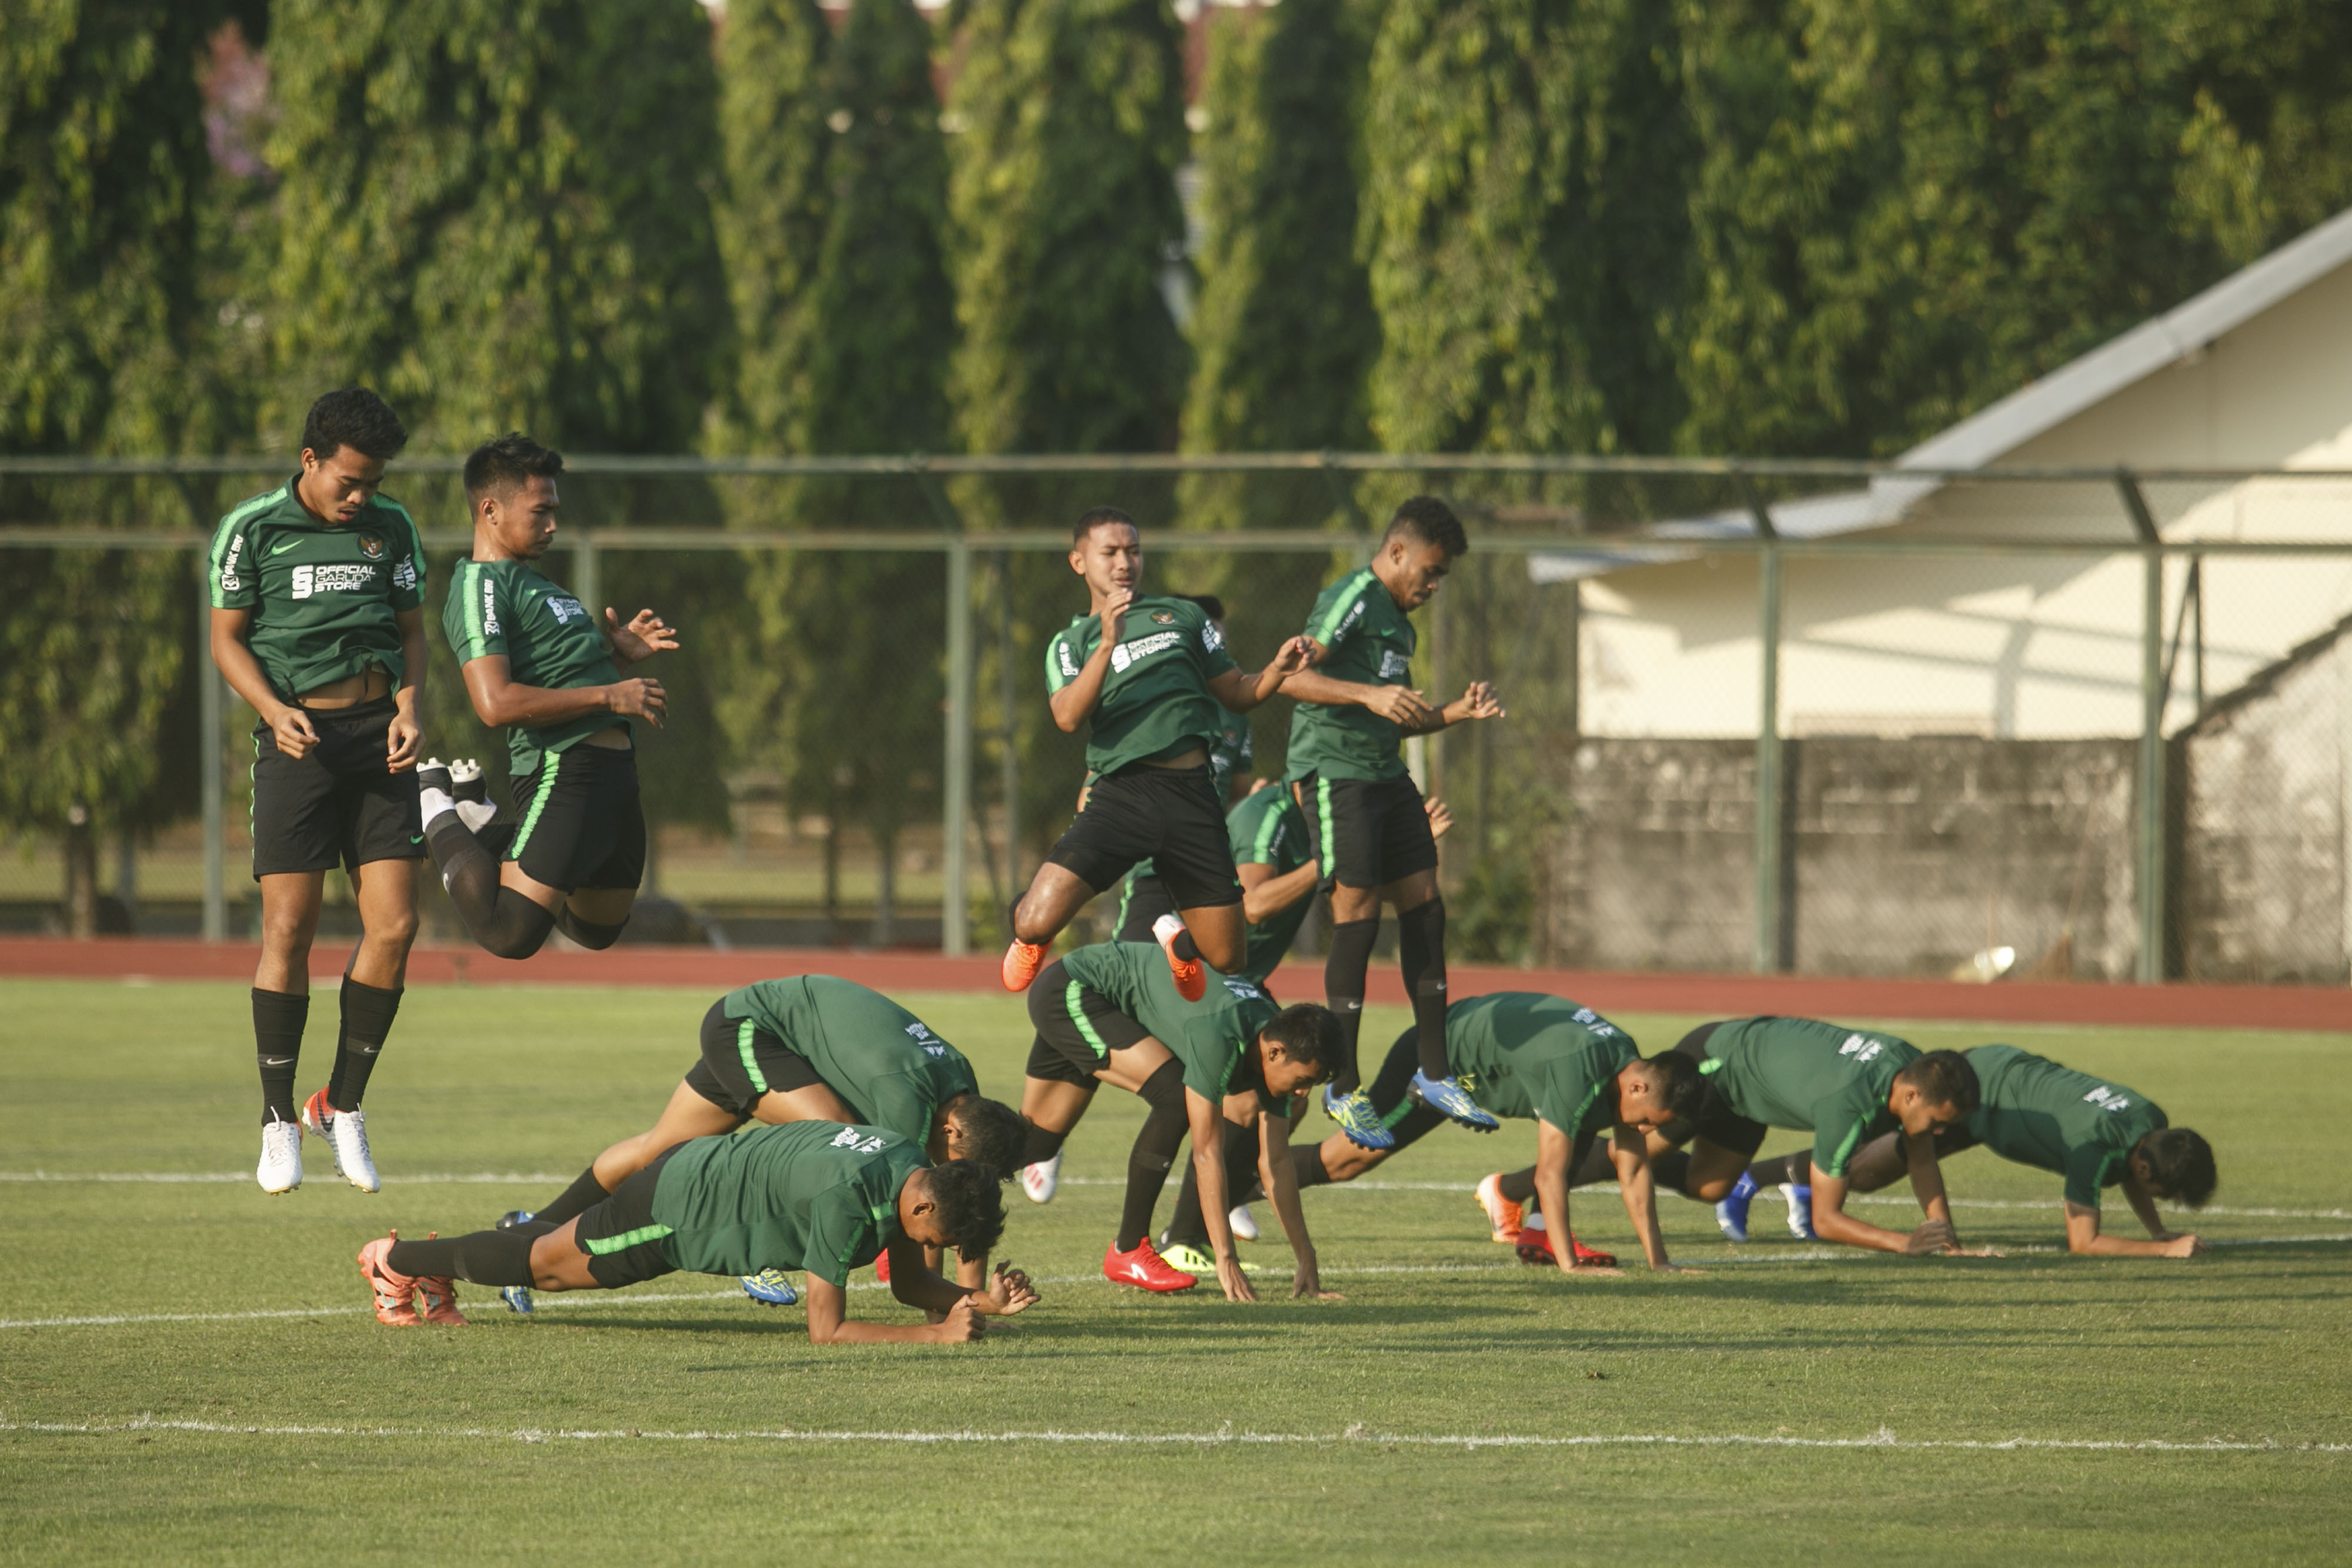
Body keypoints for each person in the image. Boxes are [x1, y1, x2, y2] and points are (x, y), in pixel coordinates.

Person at [496, 974, 1028, 1313]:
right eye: (953, 1161)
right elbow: (930, 1222)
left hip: (772, 1031)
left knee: (656, 1149)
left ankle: (527, 1229)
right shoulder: (907, 1106)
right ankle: (750, 1245)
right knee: (832, 1139)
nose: (946, 1170)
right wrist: (954, 1309)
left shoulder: (960, 1084)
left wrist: (971, 1297)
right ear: (954, 1131)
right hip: (753, 1030)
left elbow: (961, 1199)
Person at [208, 387, 425, 1196]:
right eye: (350, 482)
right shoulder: (252, 528)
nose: (362, 497)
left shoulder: (391, 527)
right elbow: (225, 637)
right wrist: (272, 709)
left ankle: (345, 1106)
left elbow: (411, 629)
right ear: (311, 461)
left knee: (397, 924)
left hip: (381, 739)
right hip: (299, 743)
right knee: (290, 927)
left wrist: (410, 704)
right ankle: (275, 1120)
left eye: (372, 483)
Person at [1162, 993, 1708, 1279]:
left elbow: (1633, 1166)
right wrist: (1568, 1265)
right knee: (1354, 1156)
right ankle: (1223, 1199)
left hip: (1463, 1064)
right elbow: (1551, 1172)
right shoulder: (1579, 1063)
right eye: (1643, 1118)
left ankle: (1235, 1193)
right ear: (1637, 1083)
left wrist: (1659, 1260)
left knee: (1354, 1158)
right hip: (1436, 1059)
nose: (1637, 1130)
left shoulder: (1627, 1059)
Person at [1001, 509, 1313, 1002]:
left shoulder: (1183, 616)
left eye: (1134, 550)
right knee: (1034, 919)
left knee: (1229, 955)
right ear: (1079, 562)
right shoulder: (1071, 641)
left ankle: (1178, 942)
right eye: (1110, 552)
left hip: (1192, 796)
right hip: (1121, 795)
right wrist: (1106, 644)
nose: (1125, 562)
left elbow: (1236, 691)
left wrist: (1276, 670)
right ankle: (1029, 935)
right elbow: (1066, 716)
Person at [356, 1122, 1034, 1344]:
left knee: (542, 1259)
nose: (928, 1251)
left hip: (700, 1173)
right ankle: (396, 1260)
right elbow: (825, 1330)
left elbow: (912, 1282)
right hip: (679, 1207)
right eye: (936, 1239)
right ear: (922, 1211)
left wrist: (978, 1304)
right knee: (541, 1267)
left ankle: (427, 1264)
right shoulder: (848, 1201)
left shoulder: (906, 1163)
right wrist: (934, 1333)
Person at [1281, 496, 1505, 1146]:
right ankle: (1343, 1086)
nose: (1432, 586)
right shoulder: (1353, 593)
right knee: (1358, 914)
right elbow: (1289, 676)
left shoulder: (1400, 623)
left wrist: (1455, 712)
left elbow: (1397, 712)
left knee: (1426, 905)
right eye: (1429, 572)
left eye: (1441, 578)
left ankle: (1435, 1072)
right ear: (1397, 552)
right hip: (1333, 772)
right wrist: (1368, 694)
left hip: (1382, 772)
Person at [419, 433, 677, 959]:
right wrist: (610, 693)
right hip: (565, 768)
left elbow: (567, 679)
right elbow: (494, 704)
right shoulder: (480, 586)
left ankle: (486, 827)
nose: (553, 524)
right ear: (490, 510)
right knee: (508, 932)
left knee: (598, 927)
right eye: (541, 511)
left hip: (616, 775)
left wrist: (617, 660)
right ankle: (433, 806)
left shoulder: (543, 586)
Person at [1015, 942, 1342, 1299]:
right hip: (1074, 990)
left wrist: (1306, 1257)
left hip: (1102, 1004)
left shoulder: (1273, 1040)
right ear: (1275, 1053)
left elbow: (1276, 1162)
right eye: (1303, 1081)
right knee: (1174, 1098)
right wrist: (1225, 1256)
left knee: (1033, 1145)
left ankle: (955, 1156)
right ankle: (1128, 1249)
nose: (1304, 1094)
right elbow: (1207, 1154)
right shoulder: (1219, 1033)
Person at [1762, 1044, 2217, 1258]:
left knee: (1862, 1159)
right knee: (1863, 1173)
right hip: (1988, 1095)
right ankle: (1773, 1177)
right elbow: (2084, 1242)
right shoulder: (2091, 1147)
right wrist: (2165, 1250)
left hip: (2006, 1071)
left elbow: (2132, 1170)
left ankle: (1803, 1182)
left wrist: (2157, 1229)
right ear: (2144, 1166)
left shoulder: (2152, 1120)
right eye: (2163, 1194)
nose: (2158, 1197)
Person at [1622, 1017, 1985, 1256]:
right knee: (1631, 1157)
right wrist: (1905, 1243)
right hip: (1715, 1062)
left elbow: (1921, 1157)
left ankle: (1575, 1162)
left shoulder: (1911, 1069)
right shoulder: (1848, 1106)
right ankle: (1569, 1166)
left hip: (1748, 1087)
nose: (1940, 1132)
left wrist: (1948, 1243)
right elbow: (1825, 1220)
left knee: (1709, 1186)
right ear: (1912, 1097)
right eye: (1938, 1122)